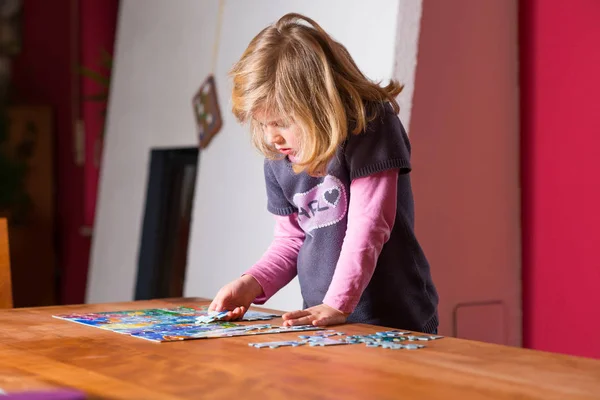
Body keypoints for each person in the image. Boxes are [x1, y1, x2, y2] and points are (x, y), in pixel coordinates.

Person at [208, 12, 439, 333]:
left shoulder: (370, 124)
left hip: (394, 318)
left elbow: (370, 224)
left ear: (318, 104)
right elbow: (292, 240)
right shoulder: (279, 157)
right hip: (324, 319)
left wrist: (338, 303)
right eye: (263, 123)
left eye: (282, 122)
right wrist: (252, 282)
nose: (272, 137)